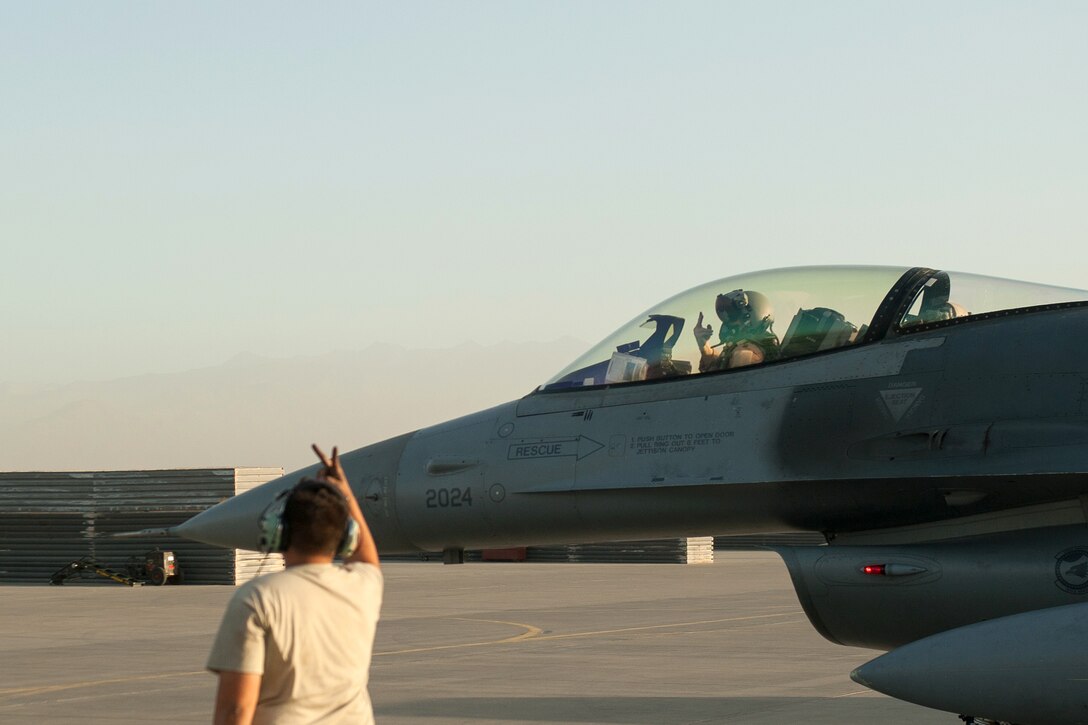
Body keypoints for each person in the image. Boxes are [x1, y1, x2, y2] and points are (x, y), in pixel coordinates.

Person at [207, 444, 382, 725]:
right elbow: (367, 556)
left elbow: (235, 712)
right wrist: (344, 492)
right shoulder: (363, 588)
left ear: (279, 530)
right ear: (345, 536)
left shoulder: (258, 599)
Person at [693, 289, 779, 372]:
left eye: (733, 317)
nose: (729, 324)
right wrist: (704, 346)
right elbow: (718, 365)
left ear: (753, 317)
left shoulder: (746, 352)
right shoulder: (740, 347)